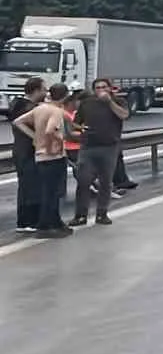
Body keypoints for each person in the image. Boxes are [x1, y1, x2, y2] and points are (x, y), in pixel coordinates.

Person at [12, 83, 74, 238]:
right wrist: (56, 142)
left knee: (46, 191)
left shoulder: (39, 109)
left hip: (39, 156)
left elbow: (17, 122)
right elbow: (50, 130)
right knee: (52, 193)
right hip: (53, 155)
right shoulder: (55, 111)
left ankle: (53, 223)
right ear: (66, 96)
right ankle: (46, 225)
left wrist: (35, 138)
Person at [70, 77, 130, 227]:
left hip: (109, 147)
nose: (101, 90)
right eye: (98, 88)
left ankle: (102, 214)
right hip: (88, 147)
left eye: (104, 87)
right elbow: (76, 122)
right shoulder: (87, 103)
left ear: (110, 88)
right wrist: (81, 130)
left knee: (105, 182)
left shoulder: (118, 101)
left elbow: (124, 115)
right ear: (93, 90)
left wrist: (109, 102)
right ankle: (80, 215)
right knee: (84, 181)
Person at [8, 77, 47, 233]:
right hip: (27, 152)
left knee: (28, 187)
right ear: (36, 90)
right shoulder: (28, 108)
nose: (46, 92)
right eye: (44, 89)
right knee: (30, 187)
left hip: (23, 150)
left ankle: (27, 221)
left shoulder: (20, 104)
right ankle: (28, 221)